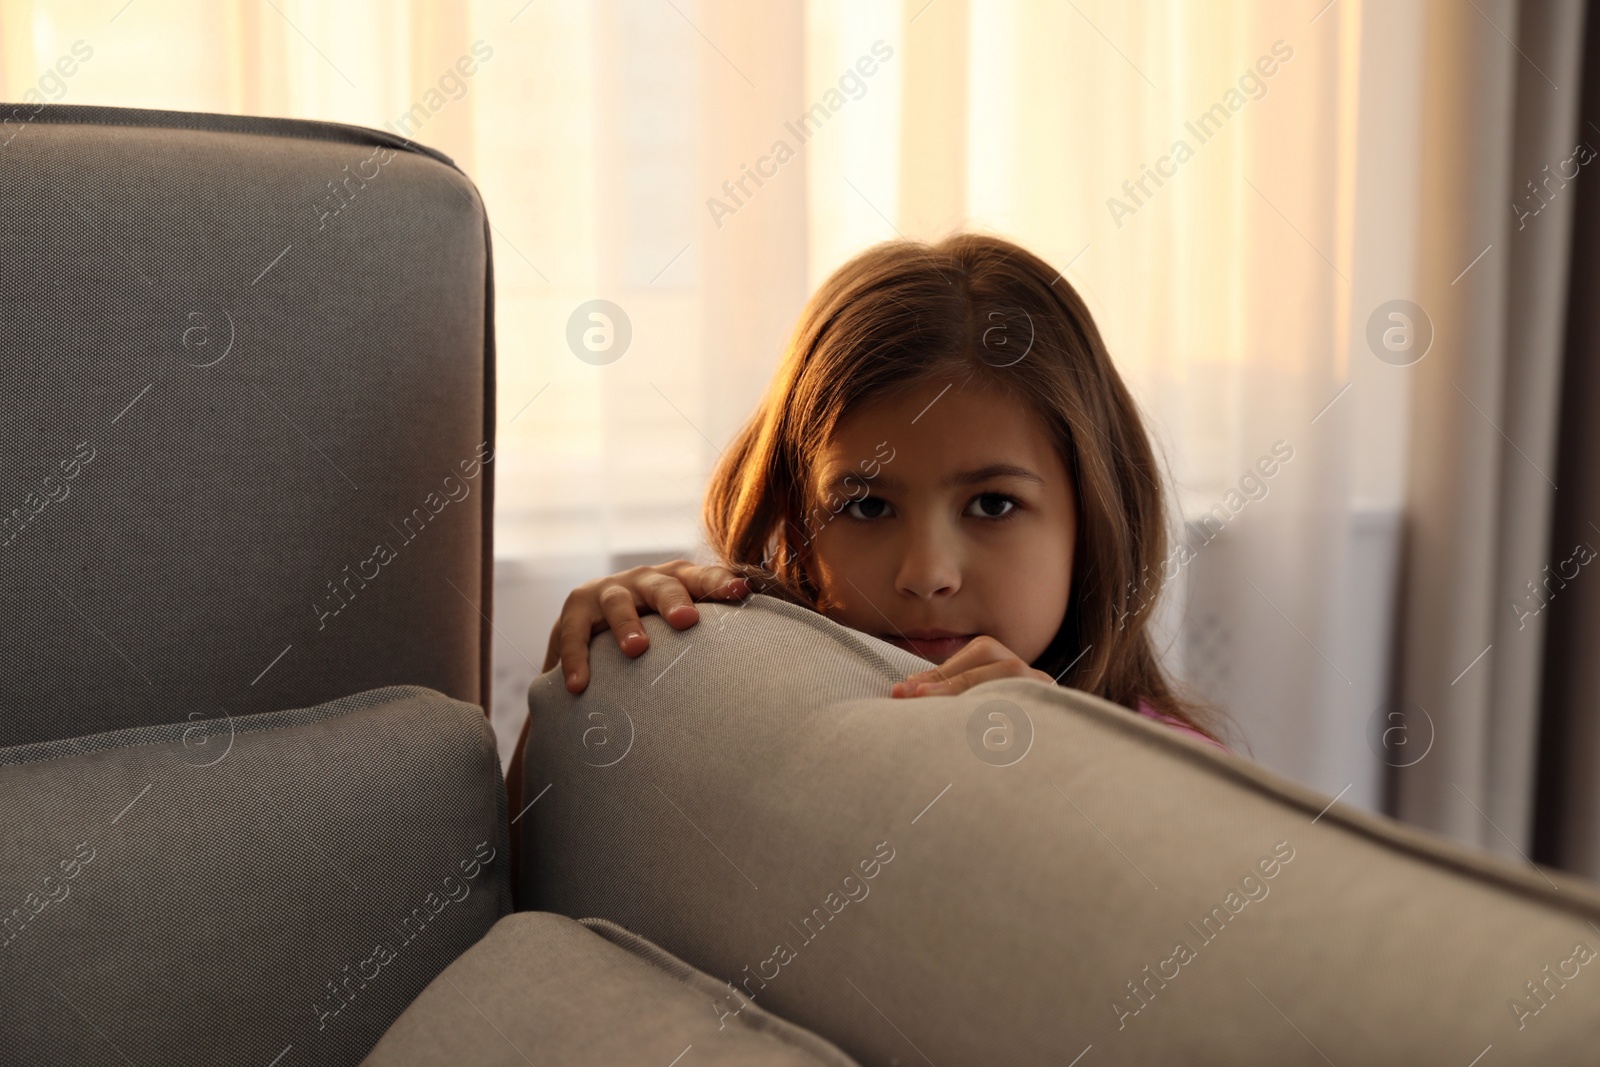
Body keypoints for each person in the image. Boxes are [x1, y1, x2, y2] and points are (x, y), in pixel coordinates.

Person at [511, 232, 1232, 825]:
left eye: (992, 505)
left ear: (1098, 518)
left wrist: (1064, 769)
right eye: (865, 506)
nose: (925, 572)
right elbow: (531, 894)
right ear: (796, 517)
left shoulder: (1178, 785)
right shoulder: (732, 712)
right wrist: (571, 703)